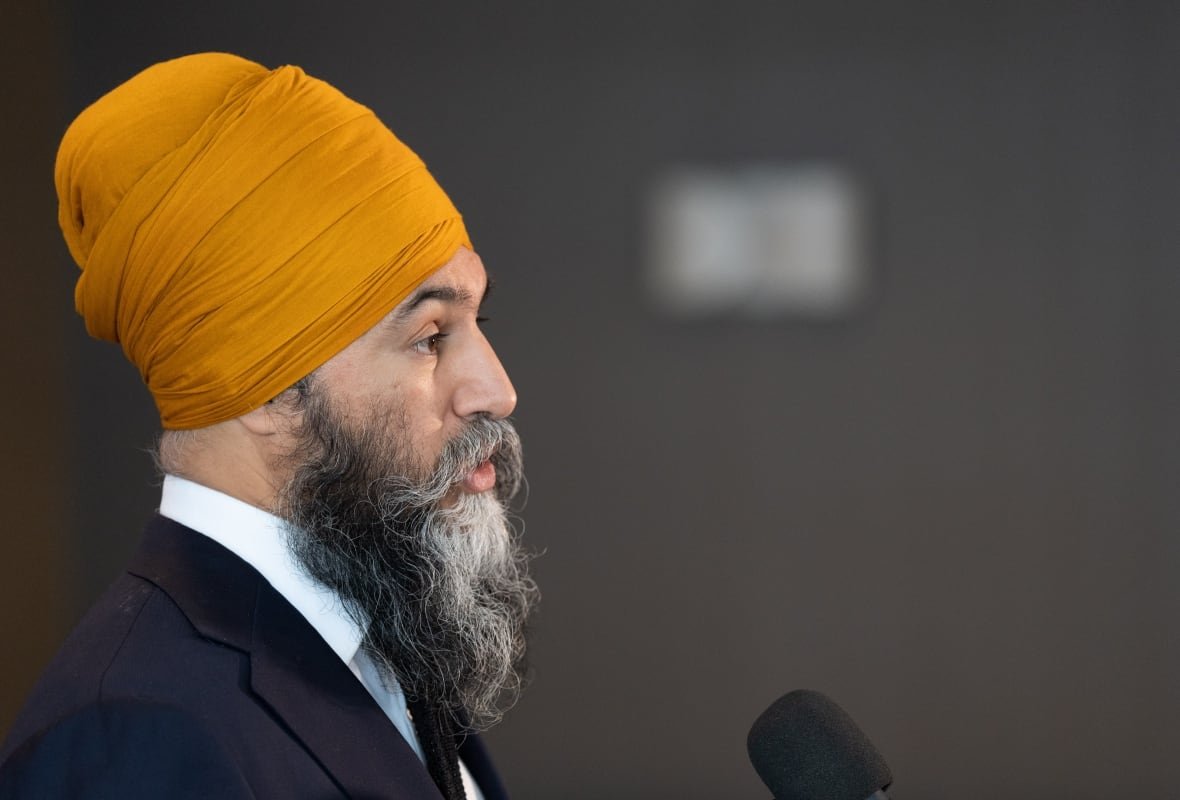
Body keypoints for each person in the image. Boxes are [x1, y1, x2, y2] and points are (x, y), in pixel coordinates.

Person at [0, 52, 537, 800]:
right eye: (429, 337)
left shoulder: (384, 638)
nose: (497, 391)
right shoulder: (133, 742)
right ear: (262, 389)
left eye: (478, 322)